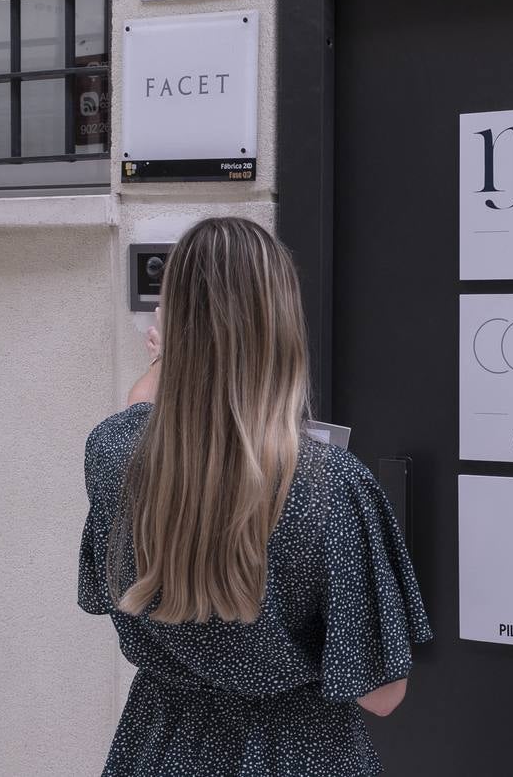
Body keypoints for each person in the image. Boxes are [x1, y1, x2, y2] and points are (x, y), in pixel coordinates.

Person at [77, 216, 432, 776]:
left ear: (173, 328)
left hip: (160, 746)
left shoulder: (113, 454)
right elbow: (381, 694)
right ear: (281, 327)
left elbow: (140, 419)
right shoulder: (331, 485)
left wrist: (164, 364)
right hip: (298, 753)